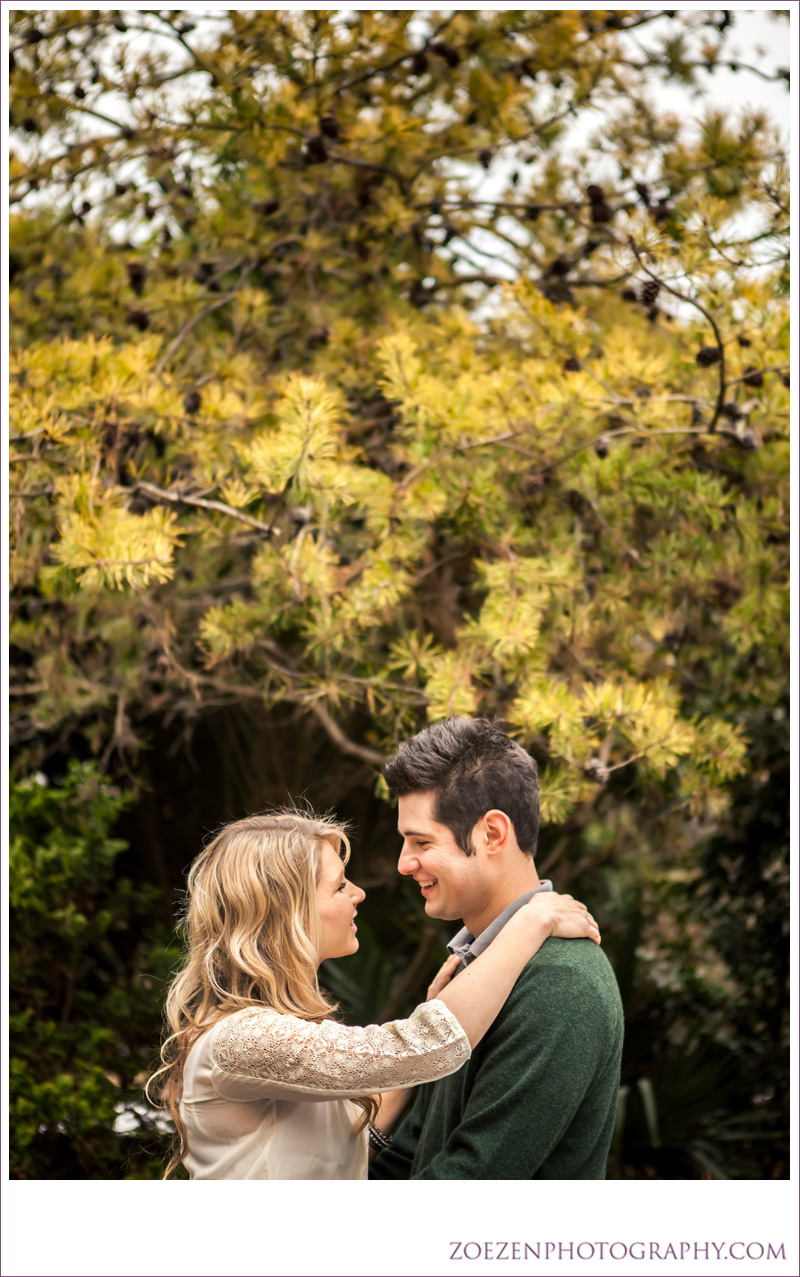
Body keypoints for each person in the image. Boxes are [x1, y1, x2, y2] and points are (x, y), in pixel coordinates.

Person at [146, 808, 600, 1179]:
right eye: (340, 885)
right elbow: (424, 1048)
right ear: (287, 913)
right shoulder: (242, 1040)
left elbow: (327, 1154)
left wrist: (431, 1013)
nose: (359, 894)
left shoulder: (274, 1032)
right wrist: (532, 920)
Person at [369, 716, 625, 1180]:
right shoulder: (472, 970)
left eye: (421, 841)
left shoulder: (562, 984)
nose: (404, 863)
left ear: (492, 834)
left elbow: (474, 1178)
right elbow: (412, 1151)